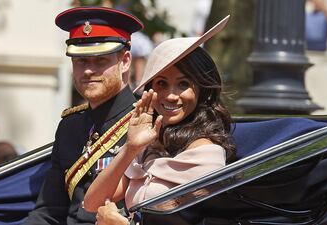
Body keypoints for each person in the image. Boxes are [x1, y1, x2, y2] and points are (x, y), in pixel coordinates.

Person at [83, 16, 235, 225]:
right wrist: (130, 147)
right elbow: (92, 203)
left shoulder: (207, 156)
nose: (171, 95)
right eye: (162, 84)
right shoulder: (149, 145)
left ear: (202, 90)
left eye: (183, 84)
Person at [22, 7, 143, 225]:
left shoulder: (145, 121)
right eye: (81, 61)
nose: (88, 70)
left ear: (125, 61)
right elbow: (49, 211)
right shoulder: (70, 126)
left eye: (100, 61)